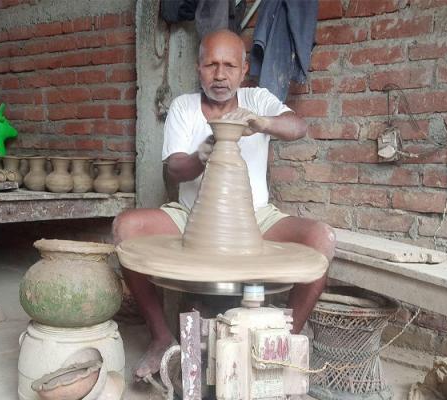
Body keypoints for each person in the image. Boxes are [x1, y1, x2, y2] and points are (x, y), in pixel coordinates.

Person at [112, 29, 336, 380]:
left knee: (321, 238)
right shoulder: (185, 107)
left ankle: (280, 345)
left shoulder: (257, 99)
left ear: (244, 69)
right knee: (126, 227)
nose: (220, 75)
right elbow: (173, 169)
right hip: (191, 215)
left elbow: (298, 126)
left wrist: (262, 123)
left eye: (229, 65)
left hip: (256, 217)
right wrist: (201, 156)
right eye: (211, 65)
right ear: (198, 68)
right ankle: (160, 336)